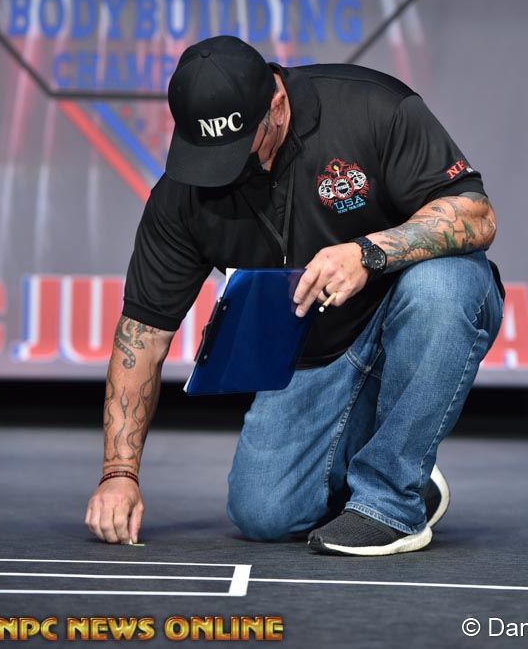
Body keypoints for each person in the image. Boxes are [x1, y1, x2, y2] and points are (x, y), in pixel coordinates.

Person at [85, 35, 504, 557]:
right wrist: (118, 474)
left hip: (412, 306)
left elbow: (476, 215)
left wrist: (368, 252)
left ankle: (390, 504)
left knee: (442, 284)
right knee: (263, 513)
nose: (228, 166)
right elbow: (141, 336)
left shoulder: (372, 107)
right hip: (318, 349)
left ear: (277, 105)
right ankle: (400, 465)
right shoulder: (181, 196)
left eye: (242, 144)